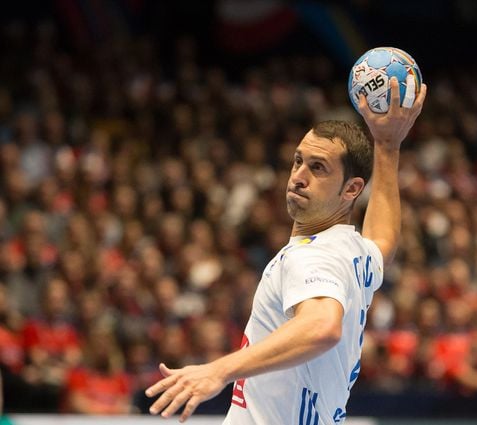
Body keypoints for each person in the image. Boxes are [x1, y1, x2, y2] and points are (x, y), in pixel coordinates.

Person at [146, 76, 427, 423]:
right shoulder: (353, 250)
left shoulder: (313, 255)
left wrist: (218, 371)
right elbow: (383, 239)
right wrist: (387, 146)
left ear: (352, 189)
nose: (298, 176)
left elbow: (322, 326)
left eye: (318, 168)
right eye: (298, 161)